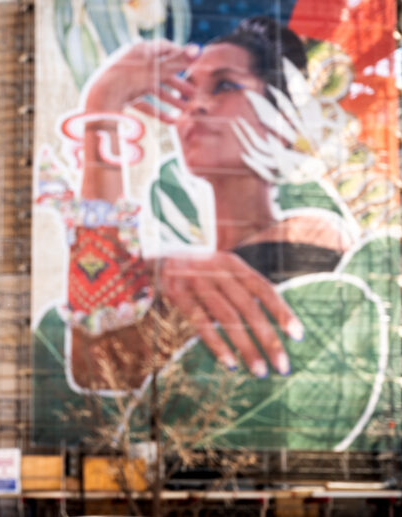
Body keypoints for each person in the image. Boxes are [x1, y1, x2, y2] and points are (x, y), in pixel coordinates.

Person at [66, 17, 351, 389]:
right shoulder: (185, 272)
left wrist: (149, 273)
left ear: (283, 119)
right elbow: (96, 368)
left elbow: (105, 355)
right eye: (187, 91)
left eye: (225, 85)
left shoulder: (314, 235)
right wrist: (104, 102)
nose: (196, 105)